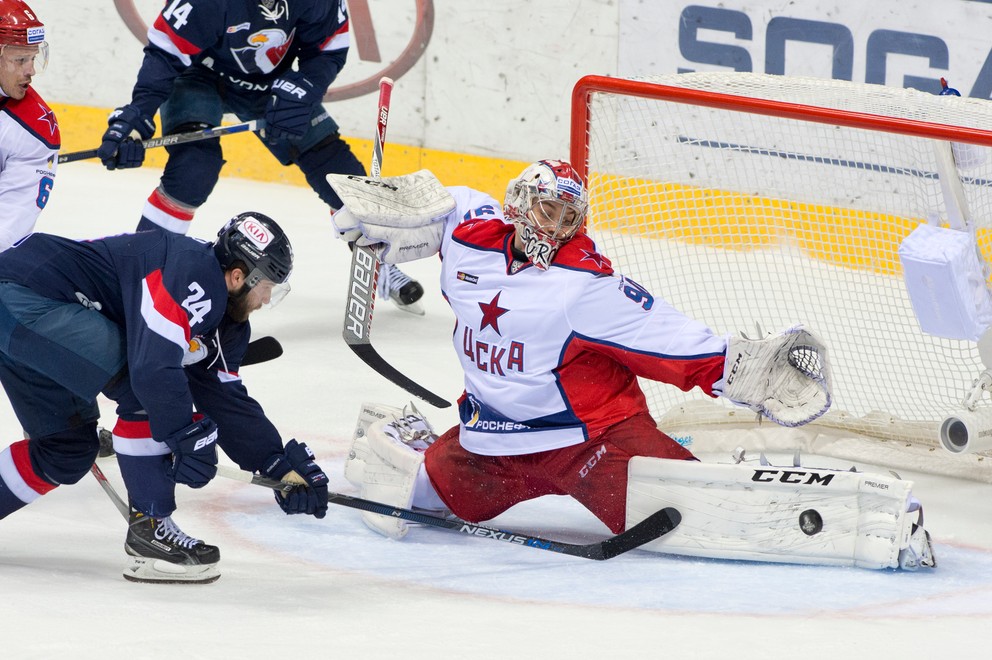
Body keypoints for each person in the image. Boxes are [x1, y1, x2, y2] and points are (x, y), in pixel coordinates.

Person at [328, 160, 936, 571]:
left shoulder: (585, 284)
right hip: (490, 442)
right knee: (422, 495)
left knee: (704, 511)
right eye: (544, 211)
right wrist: (376, 219)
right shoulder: (470, 233)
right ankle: (416, 442)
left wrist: (747, 370)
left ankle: (870, 518)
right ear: (517, 205)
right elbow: (435, 205)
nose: (556, 226)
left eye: (568, 217)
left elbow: (672, 342)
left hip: (593, 442)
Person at [0, 212, 329, 583]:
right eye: (267, 286)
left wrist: (275, 462)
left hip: (19, 313)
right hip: (24, 297)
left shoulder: (226, 321)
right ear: (239, 276)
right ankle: (150, 531)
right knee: (144, 389)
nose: (267, 299)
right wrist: (183, 434)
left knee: (65, 450)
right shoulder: (193, 276)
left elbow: (223, 397)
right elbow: (152, 372)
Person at [95, 0, 424, 313]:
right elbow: (165, 54)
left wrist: (304, 86)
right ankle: (143, 271)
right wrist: (136, 115)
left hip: (272, 83)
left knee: (335, 166)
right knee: (194, 168)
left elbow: (329, 48)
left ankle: (381, 264)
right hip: (198, 77)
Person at [0, 0, 57, 251]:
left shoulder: (35, 128)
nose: (31, 70)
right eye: (21, 59)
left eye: (33, 58)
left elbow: (8, 229)